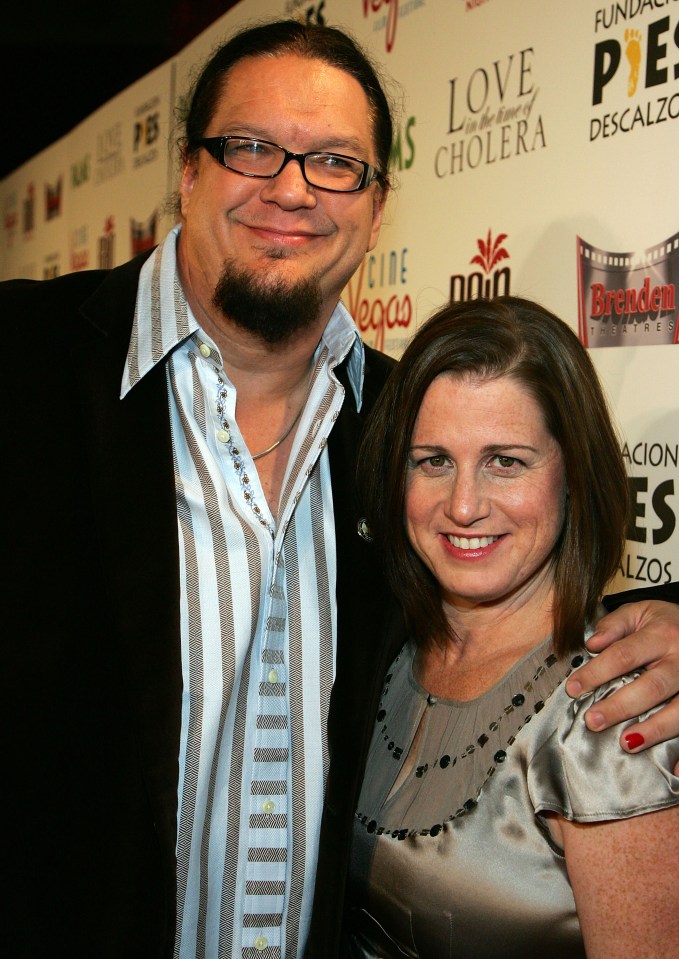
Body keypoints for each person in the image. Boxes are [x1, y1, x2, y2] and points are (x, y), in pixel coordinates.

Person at [2, 18, 678, 959]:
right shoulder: (21, 366)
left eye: (334, 163)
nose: (291, 187)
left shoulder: (404, 424)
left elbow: (518, 586)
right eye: (250, 148)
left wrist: (667, 616)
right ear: (188, 172)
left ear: (375, 201)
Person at [339, 296, 679, 958]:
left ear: (573, 473)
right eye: (431, 459)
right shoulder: (381, 648)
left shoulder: (611, 714)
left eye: (505, 460)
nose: (463, 504)